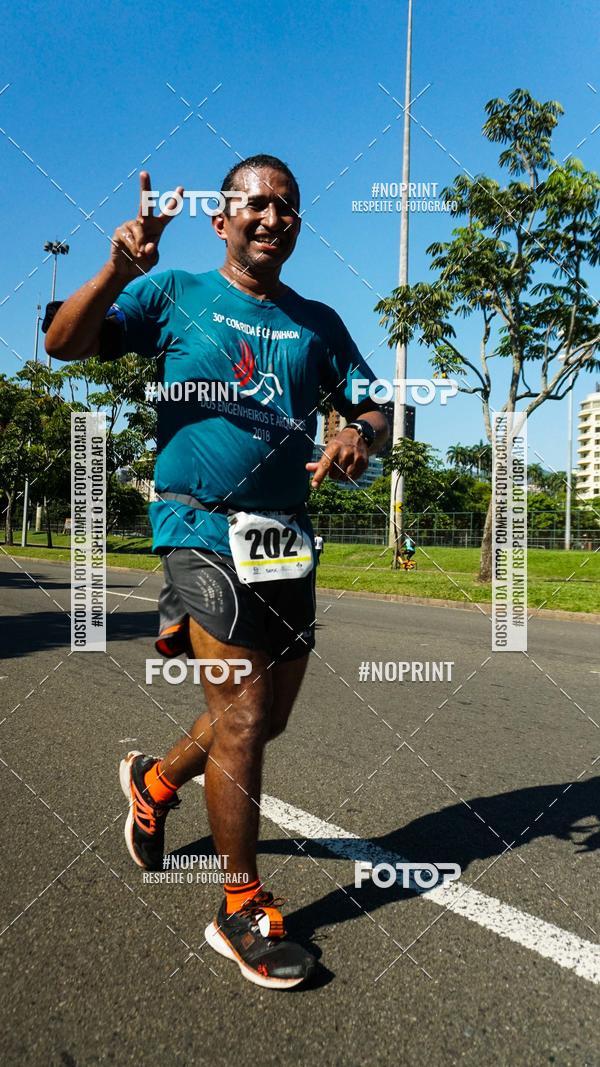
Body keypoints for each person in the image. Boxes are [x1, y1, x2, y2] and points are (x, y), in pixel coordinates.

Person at [45, 156, 388, 989]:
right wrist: (118, 268)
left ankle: (153, 784)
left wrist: (360, 436)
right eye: (257, 205)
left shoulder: (319, 321)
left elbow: (377, 403)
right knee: (240, 714)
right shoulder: (177, 294)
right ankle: (239, 908)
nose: (274, 218)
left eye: (289, 208)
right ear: (222, 217)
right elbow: (63, 344)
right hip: (196, 523)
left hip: (286, 540)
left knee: (264, 718)